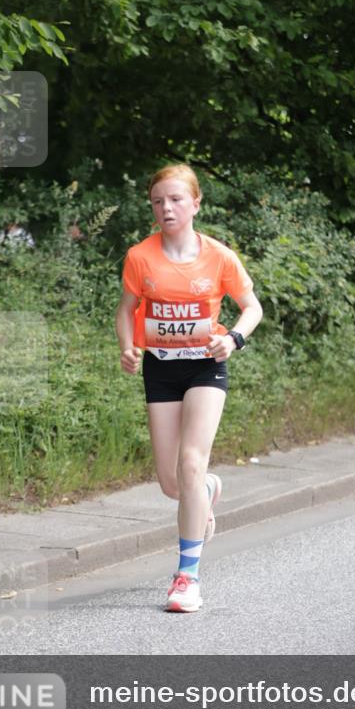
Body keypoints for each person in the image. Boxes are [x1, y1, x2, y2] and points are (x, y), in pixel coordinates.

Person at [115, 165, 263, 612]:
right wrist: (127, 346)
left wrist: (233, 339)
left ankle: (187, 578)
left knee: (191, 463)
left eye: (176, 199)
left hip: (206, 367)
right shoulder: (140, 257)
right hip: (160, 369)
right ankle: (208, 490)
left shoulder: (219, 256)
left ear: (196, 203)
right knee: (172, 483)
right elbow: (126, 309)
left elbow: (251, 307)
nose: (167, 208)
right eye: (159, 201)